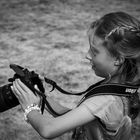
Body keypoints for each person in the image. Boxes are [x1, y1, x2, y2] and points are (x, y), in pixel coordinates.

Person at [11, 11, 140, 140]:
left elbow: (48, 129)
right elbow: (74, 117)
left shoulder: (106, 100)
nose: (87, 55)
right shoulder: (121, 87)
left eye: (94, 52)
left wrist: (30, 108)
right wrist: (40, 96)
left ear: (118, 59)